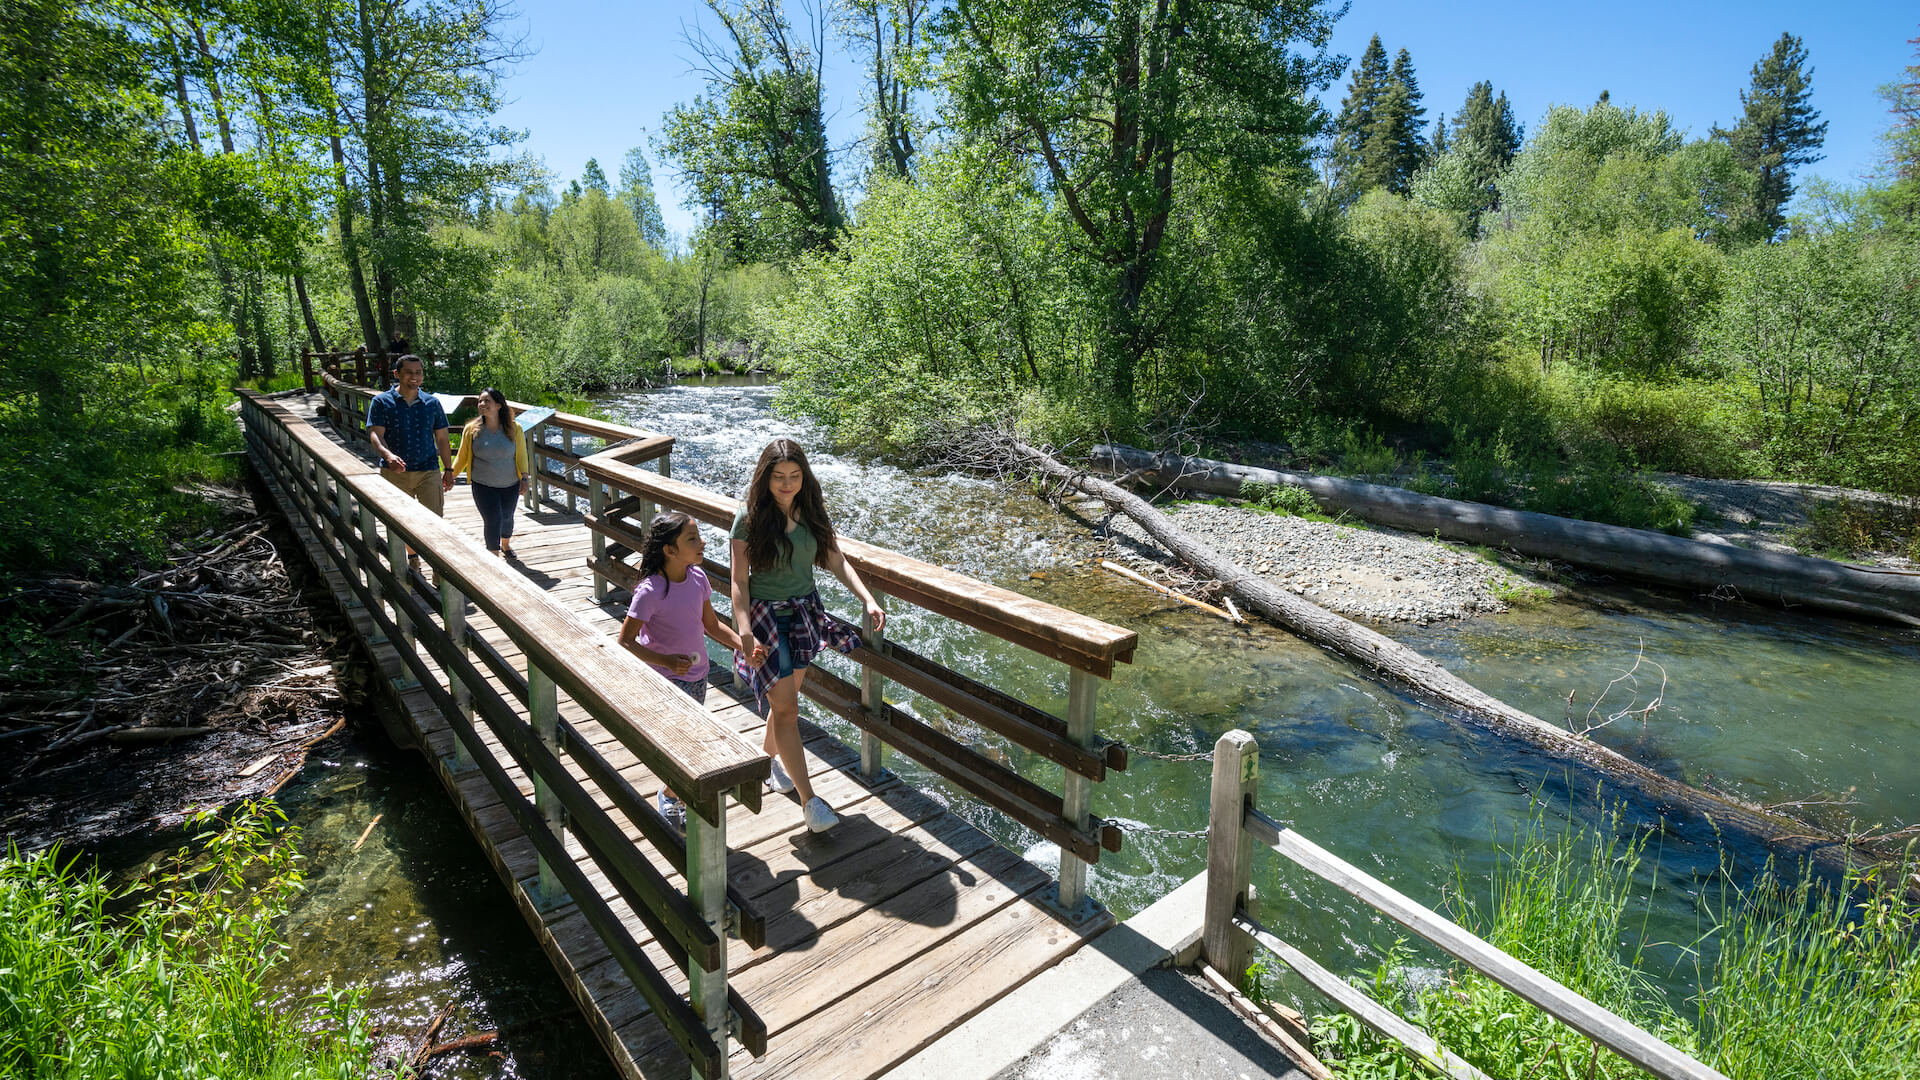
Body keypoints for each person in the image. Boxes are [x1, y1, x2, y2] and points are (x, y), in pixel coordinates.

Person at [730, 439, 884, 834]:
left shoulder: (812, 512)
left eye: (794, 476)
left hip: (804, 616)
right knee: (787, 709)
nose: (786, 484)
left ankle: (764, 766)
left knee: (786, 702)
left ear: (804, 477)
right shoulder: (747, 519)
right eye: (779, 477)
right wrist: (744, 630)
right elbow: (738, 582)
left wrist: (866, 598)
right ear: (765, 478)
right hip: (766, 621)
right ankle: (810, 802)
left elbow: (835, 559)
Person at [619, 511, 759, 829]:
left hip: (698, 678)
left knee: (689, 742)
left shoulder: (697, 579)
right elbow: (625, 641)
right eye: (692, 539)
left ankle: (675, 793)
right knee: (681, 745)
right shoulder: (651, 590)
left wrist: (744, 647)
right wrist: (667, 662)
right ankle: (672, 795)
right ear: (669, 550)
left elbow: (711, 625)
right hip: (665, 682)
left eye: (699, 536)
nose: (702, 543)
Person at [365, 355, 451, 563]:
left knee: (435, 523)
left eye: (418, 372)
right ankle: (412, 558)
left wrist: (448, 469)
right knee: (400, 523)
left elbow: (442, 438)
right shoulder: (382, 402)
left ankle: (440, 575)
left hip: (428, 470)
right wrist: (388, 455)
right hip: (395, 473)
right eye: (409, 372)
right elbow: (376, 434)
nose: (415, 377)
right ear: (397, 374)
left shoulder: (432, 403)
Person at [448, 387, 529, 558]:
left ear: (499, 405)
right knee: (493, 518)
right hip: (482, 484)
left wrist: (524, 477)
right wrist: (451, 475)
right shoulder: (471, 429)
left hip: (510, 483)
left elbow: (521, 454)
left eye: (487, 401)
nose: (482, 404)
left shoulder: (515, 428)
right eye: (480, 401)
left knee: (507, 517)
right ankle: (493, 555)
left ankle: (505, 543)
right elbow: (462, 456)